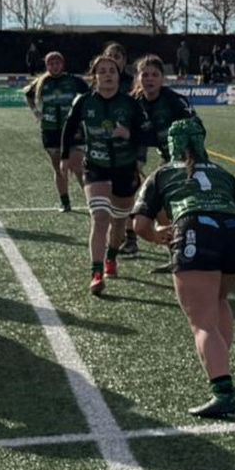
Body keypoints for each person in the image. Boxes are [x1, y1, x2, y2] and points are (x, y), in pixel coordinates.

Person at [132, 119, 235, 418]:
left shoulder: (162, 173)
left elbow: (139, 224)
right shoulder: (222, 173)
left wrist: (157, 235)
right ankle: (221, 366)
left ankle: (222, 392)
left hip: (194, 229)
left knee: (202, 322)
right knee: (219, 300)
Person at [60, 53, 152, 295]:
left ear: (118, 75)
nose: (108, 75)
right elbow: (68, 129)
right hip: (95, 167)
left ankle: (112, 256)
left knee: (119, 225)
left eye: (112, 70)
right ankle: (96, 273)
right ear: (95, 76)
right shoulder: (83, 102)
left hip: (124, 169)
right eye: (102, 71)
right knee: (100, 217)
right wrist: (64, 158)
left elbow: (147, 135)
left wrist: (129, 135)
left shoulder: (131, 104)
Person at [129, 54, 197, 267]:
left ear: (162, 78)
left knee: (183, 210)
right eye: (145, 74)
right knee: (160, 209)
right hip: (165, 161)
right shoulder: (135, 103)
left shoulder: (174, 101)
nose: (149, 79)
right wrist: (136, 162)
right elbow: (138, 137)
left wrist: (190, 162)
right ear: (138, 78)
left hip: (186, 161)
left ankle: (191, 253)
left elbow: (196, 130)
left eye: (155, 75)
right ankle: (177, 252)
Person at [24, 51, 85, 211]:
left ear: (62, 64)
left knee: (78, 165)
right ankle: (65, 202)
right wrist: (36, 112)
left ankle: (92, 200)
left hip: (72, 129)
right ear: (46, 66)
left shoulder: (73, 81)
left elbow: (88, 96)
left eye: (57, 63)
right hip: (51, 130)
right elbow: (28, 95)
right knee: (58, 168)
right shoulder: (41, 82)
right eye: (51, 64)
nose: (54, 66)